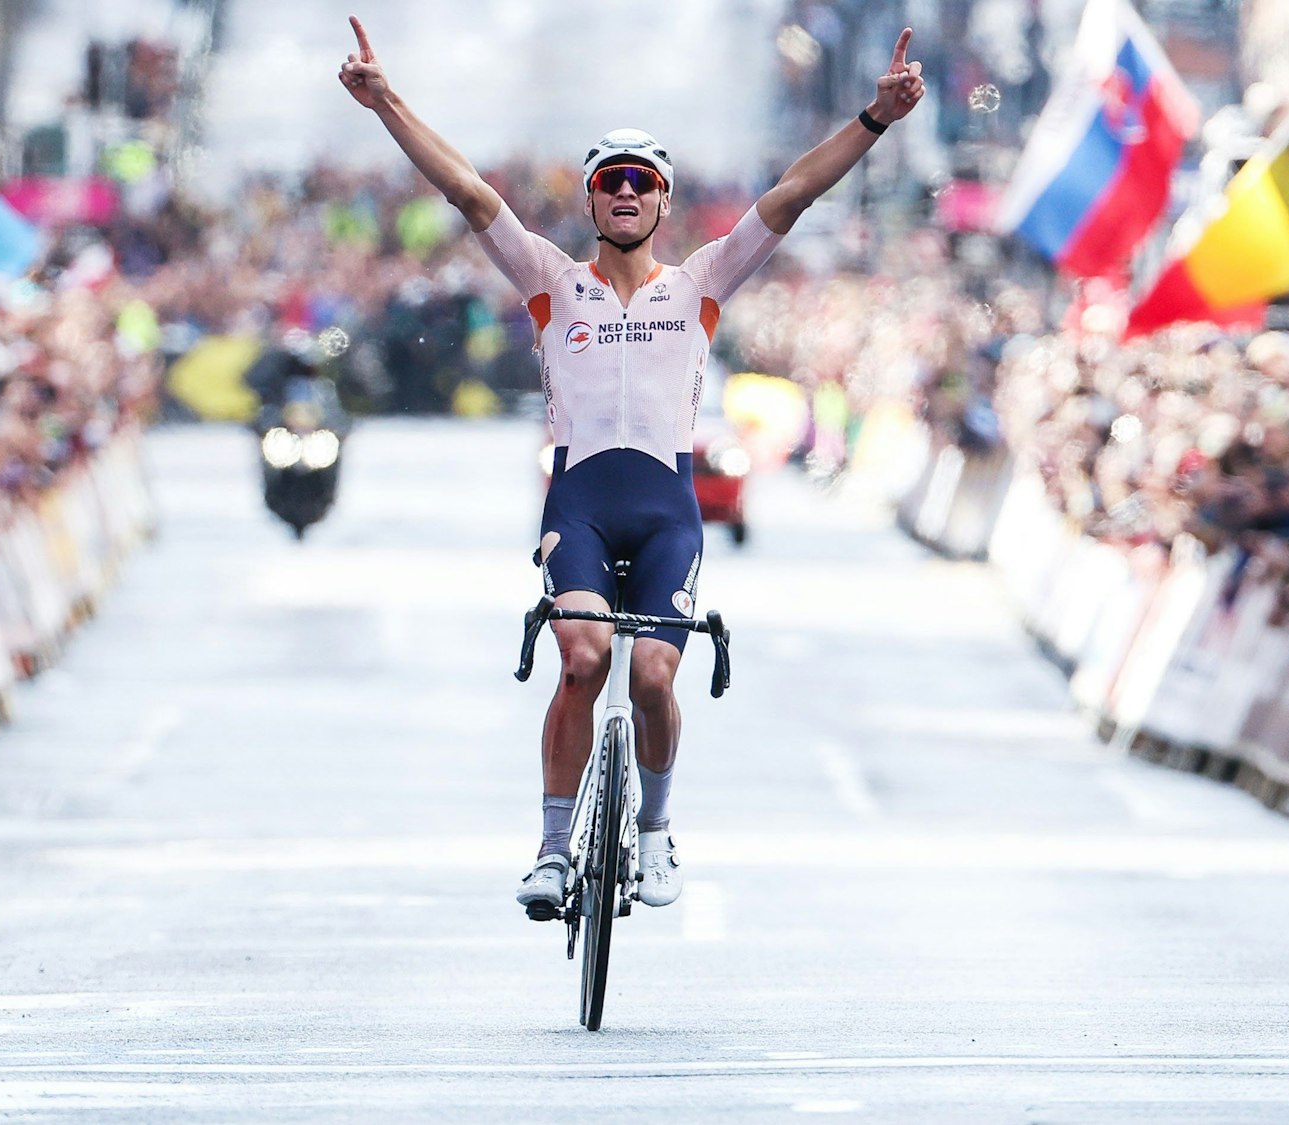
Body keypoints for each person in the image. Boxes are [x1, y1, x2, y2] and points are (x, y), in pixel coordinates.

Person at [339, 16, 926, 917]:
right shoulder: (550, 281)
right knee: (581, 657)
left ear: (661, 201)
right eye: (607, 182)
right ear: (590, 201)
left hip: (665, 513)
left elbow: (794, 191)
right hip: (577, 505)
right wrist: (387, 104)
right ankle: (548, 847)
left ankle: (654, 835)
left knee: (651, 675)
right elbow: (465, 190)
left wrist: (875, 119)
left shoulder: (700, 283)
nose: (622, 193)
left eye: (639, 182)